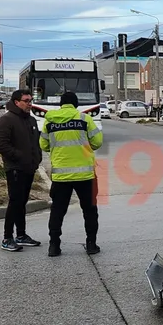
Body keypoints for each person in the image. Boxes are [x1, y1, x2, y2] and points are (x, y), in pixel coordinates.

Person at [40, 91, 103, 257]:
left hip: (61, 176)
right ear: (76, 104)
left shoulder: (49, 121)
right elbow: (97, 142)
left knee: (57, 211)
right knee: (89, 210)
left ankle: (54, 246)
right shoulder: (84, 119)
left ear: (60, 104)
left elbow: (43, 144)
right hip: (85, 176)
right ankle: (91, 244)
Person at [0, 90, 43, 252]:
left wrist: (36, 159)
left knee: (22, 202)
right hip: (15, 168)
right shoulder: (6, 120)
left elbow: (35, 143)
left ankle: (21, 235)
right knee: (15, 202)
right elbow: (1, 145)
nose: (30, 103)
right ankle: (8, 238)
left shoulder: (31, 120)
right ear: (16, 102)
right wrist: (19, 157)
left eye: (31, 100)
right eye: (26, 101)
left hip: (29, 167)